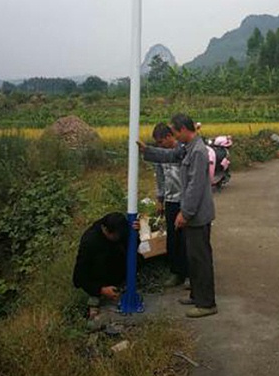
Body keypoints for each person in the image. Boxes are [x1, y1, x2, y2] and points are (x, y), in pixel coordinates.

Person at [139, 113, 217, 318]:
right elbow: (170, 156)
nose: (173, 136)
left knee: (200, 258)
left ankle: (207, 303)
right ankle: (196, 295)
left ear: (183, 129)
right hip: (193, 214)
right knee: (192, 256)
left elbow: (195, 187)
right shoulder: (188, 149)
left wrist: (185, 213)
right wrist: (148, 151)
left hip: (197, 215)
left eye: (174, 132)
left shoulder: (198, 152)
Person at [72, 211, 130, 321]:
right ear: (105, 230)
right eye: (115, 236)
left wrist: (135, 232)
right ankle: (97, 296)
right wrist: (101, 289)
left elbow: (133, 248)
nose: (118, 238)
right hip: (99, 276)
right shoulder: (90, 242)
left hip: (116, 267)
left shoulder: (120, 230)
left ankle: (119, 282)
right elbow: (79, 278)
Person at [151, 122, 188, 288]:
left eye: (160, 142)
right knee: (173, 239)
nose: (159, 146)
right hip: (171, 200)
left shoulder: (182, 151)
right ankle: (176, 273)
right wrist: (159, 200)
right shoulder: (160, 156)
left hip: (186, 200)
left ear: (169, 137)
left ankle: (190, 274)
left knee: (187, 239)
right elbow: (160, 178)